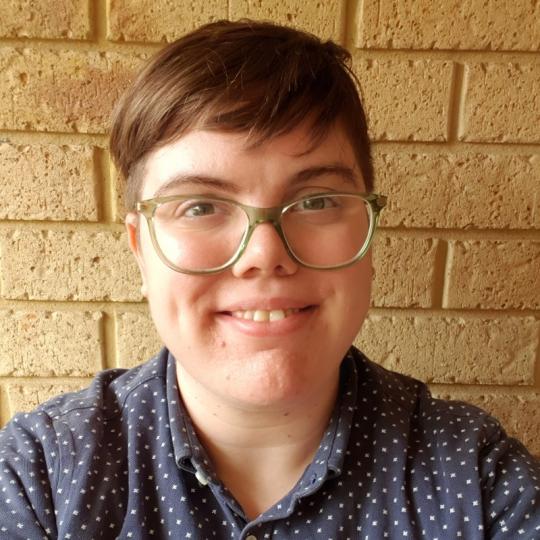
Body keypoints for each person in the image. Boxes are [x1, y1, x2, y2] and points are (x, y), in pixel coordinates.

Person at [0, 19, 539, 540]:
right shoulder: (40, 478)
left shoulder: (479, 482)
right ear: (141, 250)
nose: (264, 254)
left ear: (370, 235)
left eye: (317, 201)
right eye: (200, 206)